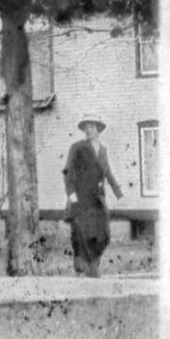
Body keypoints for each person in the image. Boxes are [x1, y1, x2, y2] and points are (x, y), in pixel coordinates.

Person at [63, 114, 124, 278]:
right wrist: (71, 193)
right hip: (81, 198)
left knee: (104, 234)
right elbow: (69, 171)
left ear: (98, 129)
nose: (88, 130)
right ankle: (89, 268)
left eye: (92, 126)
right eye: (86, 127)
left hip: (98, 199)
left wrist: (118, 191)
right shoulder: (77, 147)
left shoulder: (103, 150)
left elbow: (107, 170)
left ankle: (90, 264)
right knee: (83, 233)